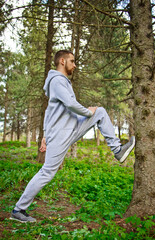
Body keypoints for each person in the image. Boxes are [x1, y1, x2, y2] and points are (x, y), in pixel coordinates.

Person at [10, 50, 135, 222]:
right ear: (62, 61)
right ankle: (18, 210)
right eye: (72, 61)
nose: (75, 65)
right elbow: (70, 104)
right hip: (61, 135)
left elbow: (50, 111)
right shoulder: (57, 81)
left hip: (69, 129)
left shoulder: (61, 82)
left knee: (100, 112)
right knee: (47, 172)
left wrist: (45, 135)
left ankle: (117, 151)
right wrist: (86, 111)